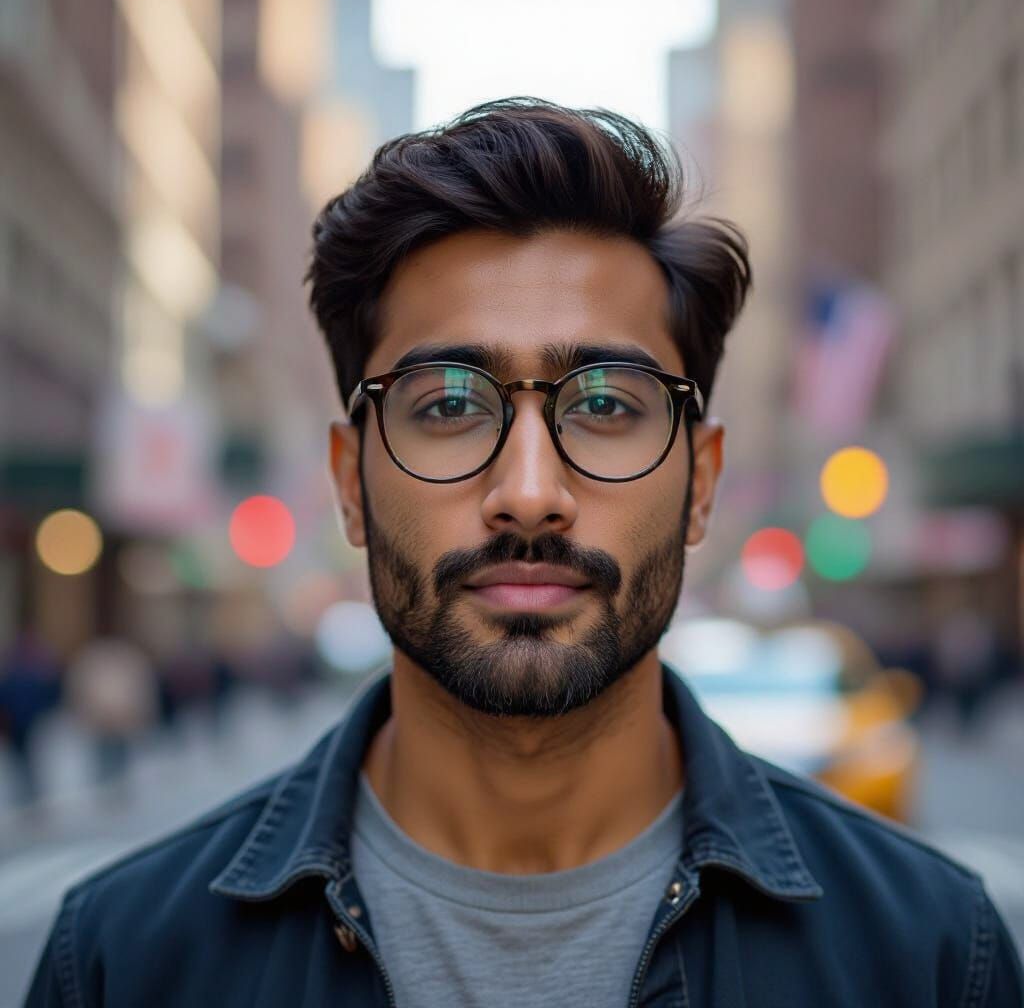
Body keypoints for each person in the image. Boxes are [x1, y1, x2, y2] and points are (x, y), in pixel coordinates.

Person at [24, 98, 1022, 1006]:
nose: (530, 495)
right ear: (348, 480)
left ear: (701, 481)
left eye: (606, 406)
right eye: (450, 406)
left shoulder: (932, 957)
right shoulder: (125, 962)